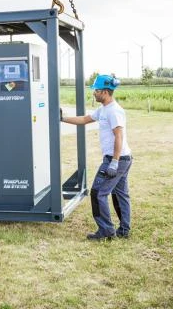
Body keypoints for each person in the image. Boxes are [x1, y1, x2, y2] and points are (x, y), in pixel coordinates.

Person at [61, 74, 133, 240]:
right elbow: (85, 119)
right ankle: (123, 230)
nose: (94, 93)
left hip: (117, 160)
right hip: (123, 158)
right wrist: (62, 118)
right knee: (120, 194)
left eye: (97, 90)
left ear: (106, 92)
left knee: (98, 193)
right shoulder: (103, 109)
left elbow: (118, 137)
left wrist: (114, 162)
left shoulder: (114, 111)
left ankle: (106, 231)